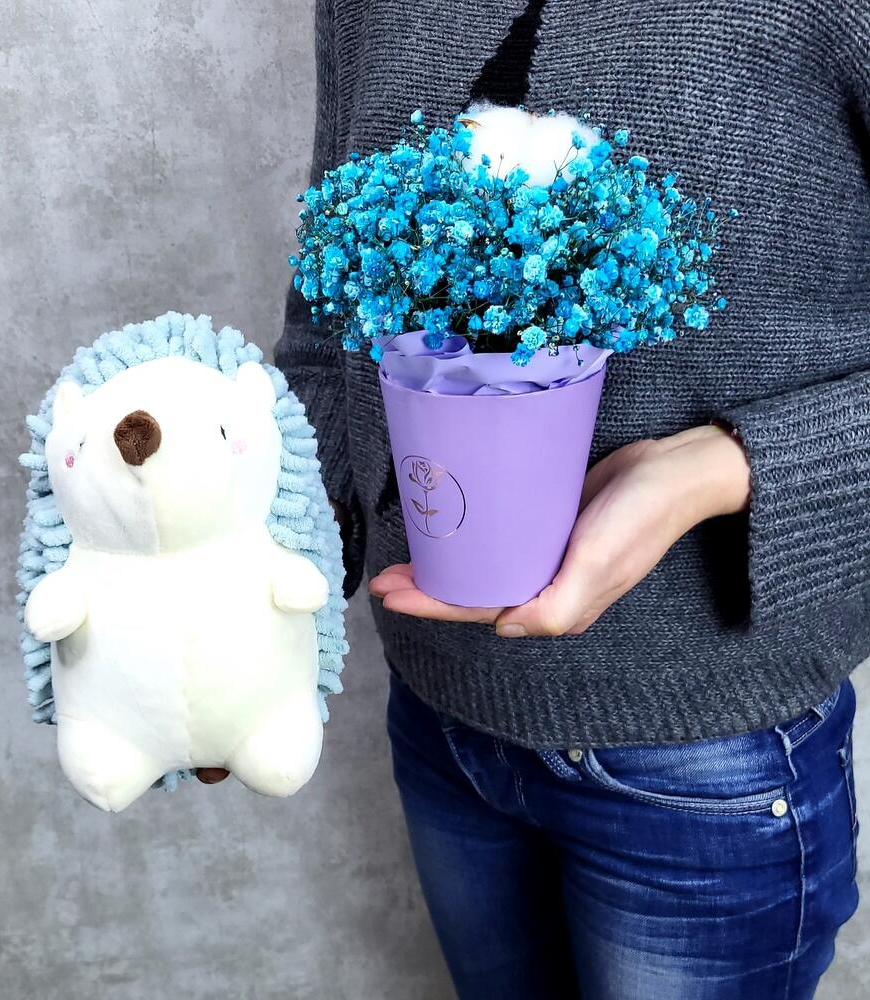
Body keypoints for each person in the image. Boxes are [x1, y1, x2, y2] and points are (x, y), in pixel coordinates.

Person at [210, 2, 870, 997]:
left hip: (704, 759)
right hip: (437, 714)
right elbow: (325, 323)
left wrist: (708, 470)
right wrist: (248, 602)